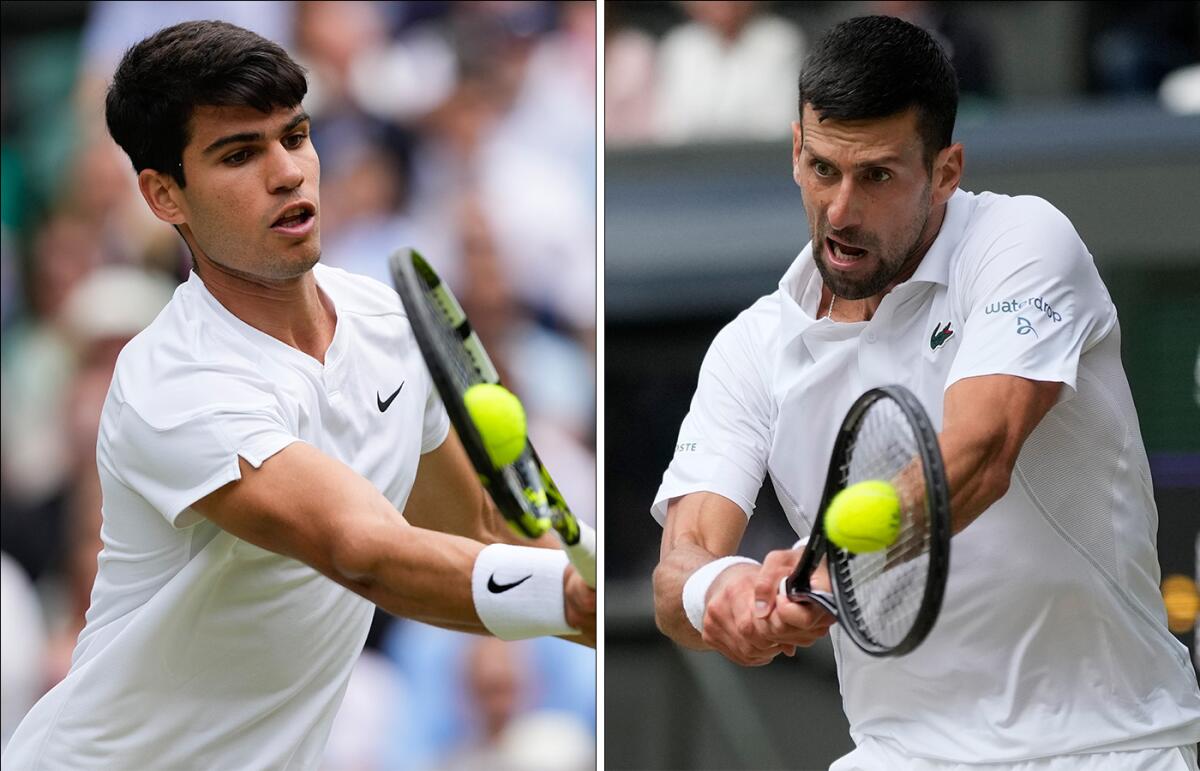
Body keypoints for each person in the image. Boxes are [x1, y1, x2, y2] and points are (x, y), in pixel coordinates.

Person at [3, 20, 594, 769]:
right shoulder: (171, 381)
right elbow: (364, 552)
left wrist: (649, 601)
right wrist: (571, 596)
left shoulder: (387, 327)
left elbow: (481, 529)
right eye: (239, 154)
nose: (287, 172)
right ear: (163, 195)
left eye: (296, 136)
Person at [651, 15, 1200, 770]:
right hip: (899, 754)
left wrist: (819, 572)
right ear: (794, 151)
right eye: (821, 169)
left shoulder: (1023, 241)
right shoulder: (750, 348)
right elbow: (678, 563)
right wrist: (721, 592)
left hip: (1108, 744)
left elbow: (975, 457)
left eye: (876, 175)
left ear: (946, 170)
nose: (840, 211)